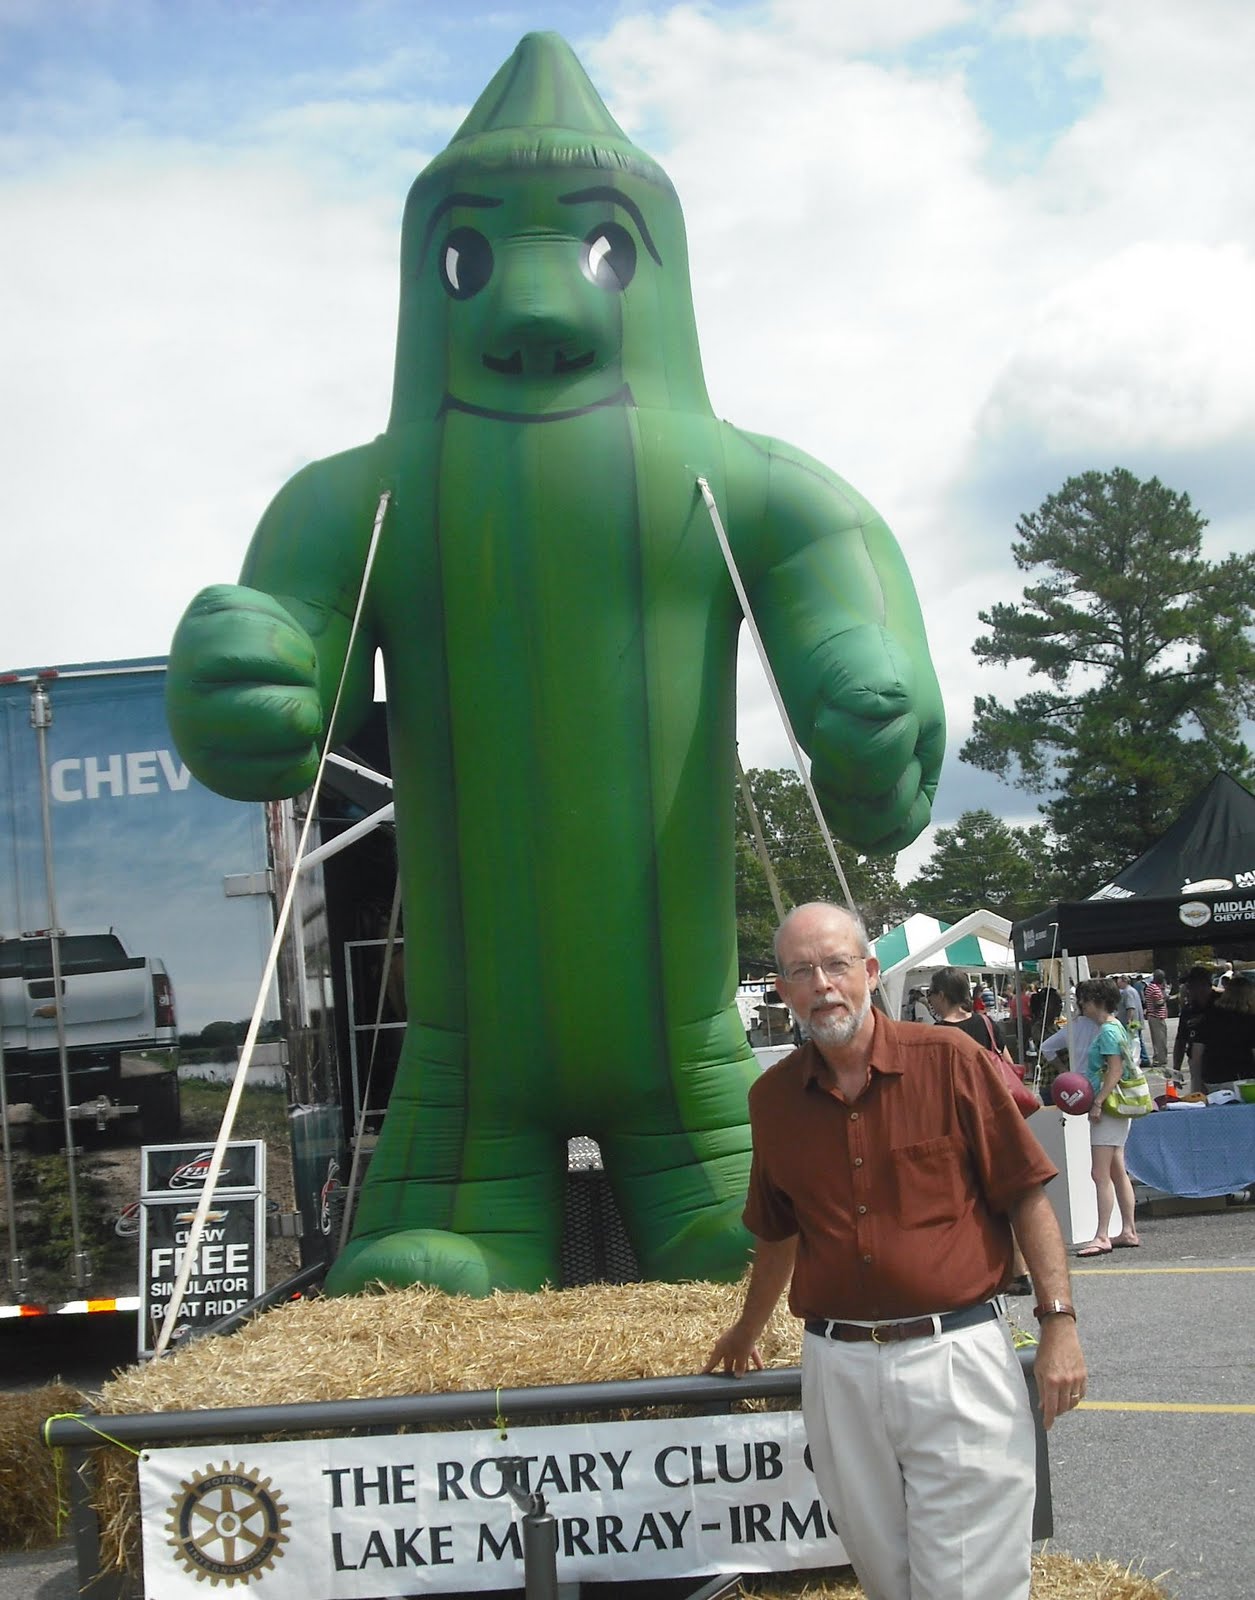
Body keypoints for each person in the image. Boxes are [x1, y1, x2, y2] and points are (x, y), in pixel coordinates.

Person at [703, 902, 1086, 1600]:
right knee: (885, 1576)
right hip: (836, 1367)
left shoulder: (951, 1061)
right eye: (800, 971)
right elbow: (778, 1232)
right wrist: (746, 1328)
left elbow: (1026, 1195)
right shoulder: (771, 1101)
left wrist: (1058, 1322)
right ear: (780, 990)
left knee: (971, 1585)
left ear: (869, 972)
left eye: (836, 965)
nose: (821, 985)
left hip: (954, 1357)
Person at [926, 966, 1032, 1295]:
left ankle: (984, 1270)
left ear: (942, 996)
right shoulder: (987, 1023)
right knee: (1008, 1194)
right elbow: (1010, 1065)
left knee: (971, 1199)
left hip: (961, 1123)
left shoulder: (939, 1034)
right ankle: (1020, 1270)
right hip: (998, 1117)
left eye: (932, 994)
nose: (930, 1000)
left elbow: (936, 1087)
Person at [1072, 977, 1140, 1257]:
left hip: (1109, 1106)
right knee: (1116, 1169)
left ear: (1096, 1001)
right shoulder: (1115, 1027)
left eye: (1084, 1000)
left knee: (1100, 1172)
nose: (1081, 1006)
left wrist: (1097, 1102)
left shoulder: (1108, 1031)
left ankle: (1102, 1234)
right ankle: (1128, 1230)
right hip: (1117, 1108)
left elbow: (1114, 1071)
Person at [1189, 970, 1255, 1087]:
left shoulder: (1209, 1016)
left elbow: (1197, 1052)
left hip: (1213, 1077)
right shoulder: (1249, 1019)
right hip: (1245, 1077)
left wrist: (1197, 1084)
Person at [1174, 966, 1216, 1091]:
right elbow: (1180, 1040)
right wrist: (1176, 1069)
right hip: (1196, 1063)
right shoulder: (1189, 1010)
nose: (1188, 989)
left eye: (1191, 986)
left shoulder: (1220, 1004)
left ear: (1203, 985)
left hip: (1220, 1059)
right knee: (1198, 1097)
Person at [1142, 969, 1170, 1077]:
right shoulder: (1153, 988)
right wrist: (1165, 998)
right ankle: (1160, 1060)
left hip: (1158, 1017)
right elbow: (1158, 1004)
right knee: (1160, 1040)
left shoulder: (1153, 987)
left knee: (1160, 1039)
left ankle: (1160, 1058)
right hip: (1156, 1017)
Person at [1118, 975, 1149, 1066]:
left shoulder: (1127, 992)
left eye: (1119, 982)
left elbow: (1130, 1007)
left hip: (1132, 1021)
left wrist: (1129, 1021)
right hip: (1137, 1019)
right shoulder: (1133, 990)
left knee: (1134, 1040)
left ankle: (1144, 1058)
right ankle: (1144, 1058)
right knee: (1138, 1039)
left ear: (1124, 981)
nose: (1118, 984)